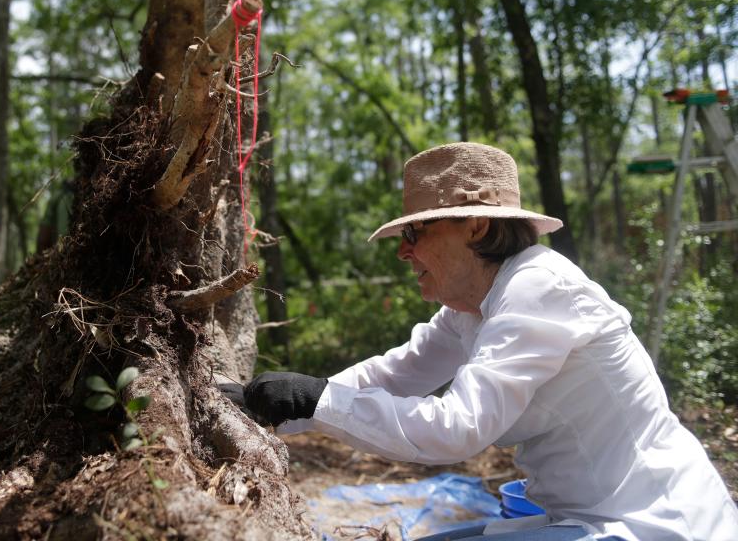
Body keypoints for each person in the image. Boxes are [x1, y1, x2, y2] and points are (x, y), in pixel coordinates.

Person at [225, 142, 738, 540]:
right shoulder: (470, 308)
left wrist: (319, 398)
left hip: (654, 524)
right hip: (584, 520)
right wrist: (272, 408)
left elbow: (458, 429)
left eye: (416, 233)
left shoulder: (538, 287)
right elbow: (396, 374)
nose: (404, 253)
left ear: (474, 225)